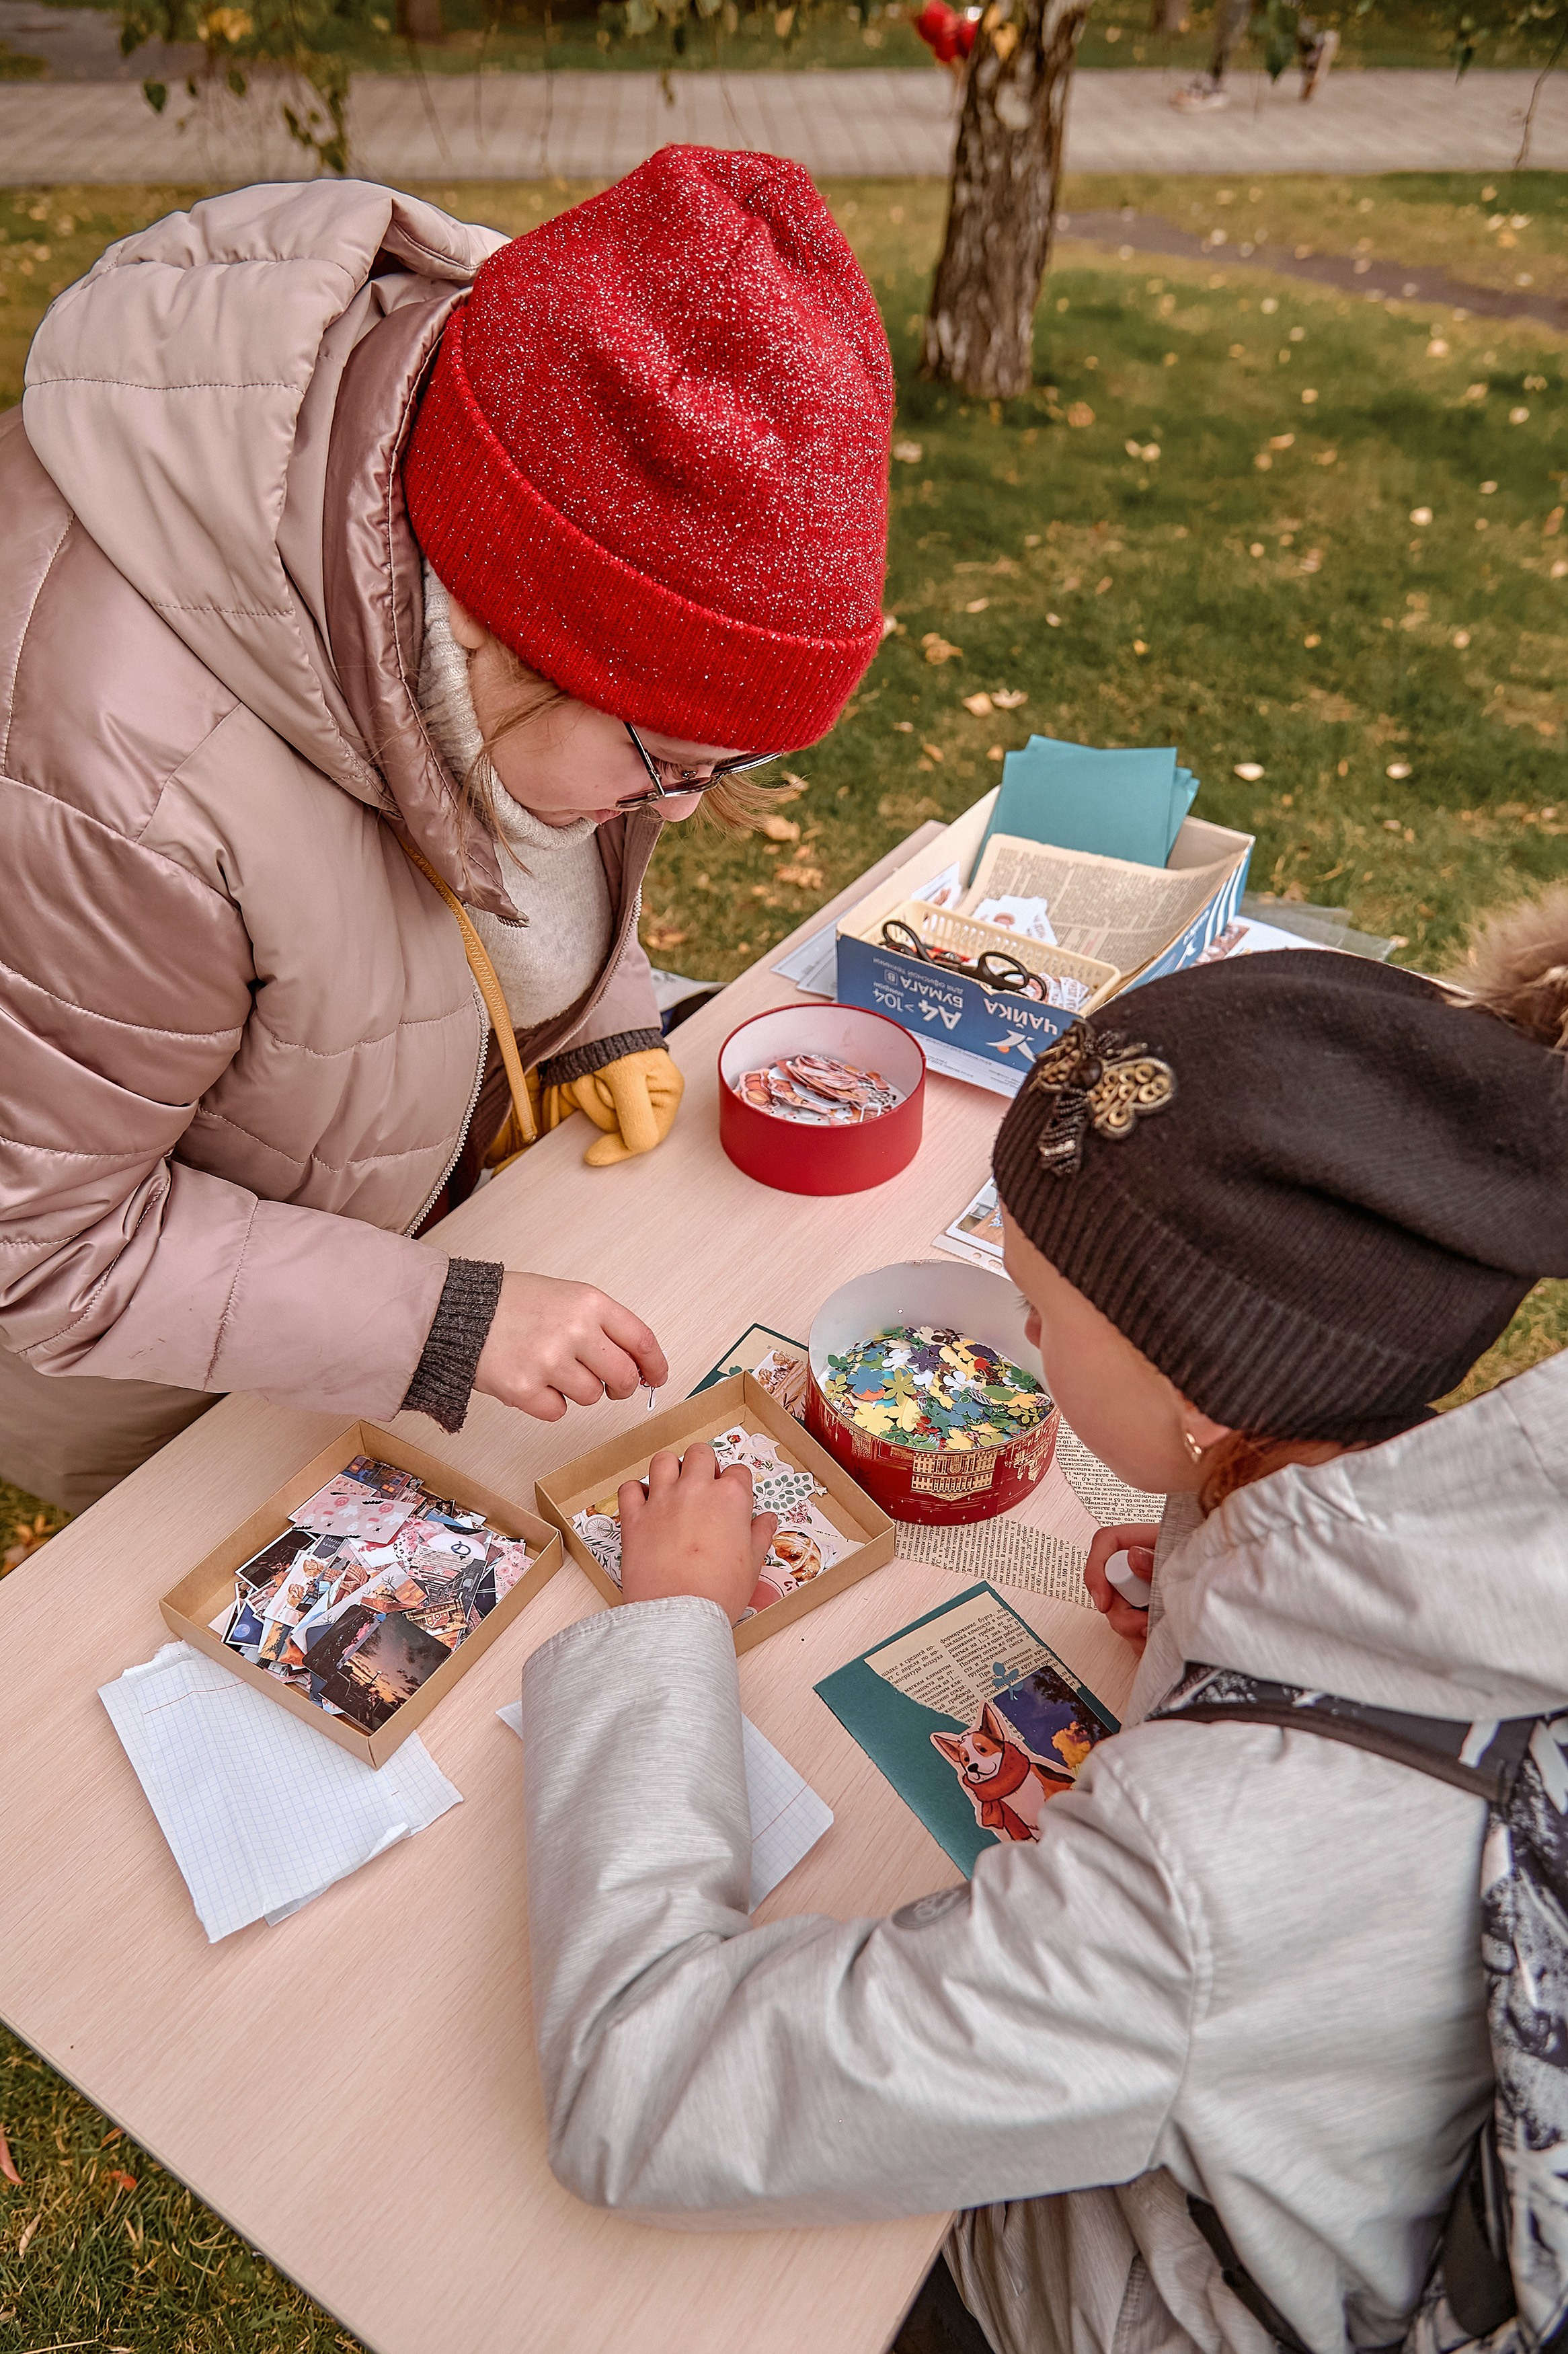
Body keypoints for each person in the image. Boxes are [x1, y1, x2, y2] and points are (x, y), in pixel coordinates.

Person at [518, 895, 1568, 2354]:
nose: (1014, 1343)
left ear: (1202, 1386)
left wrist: (671, 1633)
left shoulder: (1205, 1874)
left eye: (1034, 1312)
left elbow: (645, 2090)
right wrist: (1229, 1573)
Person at [0, 149, 893, 1511]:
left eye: (736, 760)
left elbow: (479, 842)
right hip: (159, 1380)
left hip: (335, 1244)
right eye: (667, 761)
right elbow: (43, 1245)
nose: (691, 805)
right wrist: (435, 1322)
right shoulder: (112, 791)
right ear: (510, 630)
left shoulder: (505, 482)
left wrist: (590, 1006)